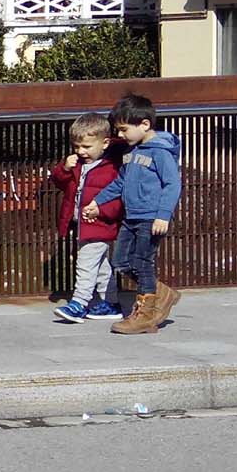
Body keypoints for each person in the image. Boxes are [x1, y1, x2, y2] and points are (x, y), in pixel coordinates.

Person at [98, 94, 184, 335]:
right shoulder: (132, 152)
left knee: (142, 263)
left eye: (124, 129)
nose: (121, 135)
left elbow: (172, 184)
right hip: (131, 217)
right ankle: (161, 293)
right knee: (120, 261)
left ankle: (145, 316)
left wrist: (163, 215)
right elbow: (120, 182)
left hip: (151, 217)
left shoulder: (160, 152)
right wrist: (98, 201)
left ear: (145, 124)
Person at [50, 113, 123, 323]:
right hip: (83, 224)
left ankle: (79, 303)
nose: (81, 151)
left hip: (98, 224)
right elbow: (59, 182)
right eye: (77, 147)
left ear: (105, 143)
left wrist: (102, 211)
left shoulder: (111, 168)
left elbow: (118, 197)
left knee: (85, 264)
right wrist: (64, 168)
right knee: (101, 267)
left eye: (87, 147)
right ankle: (111, 303)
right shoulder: (79, 164)